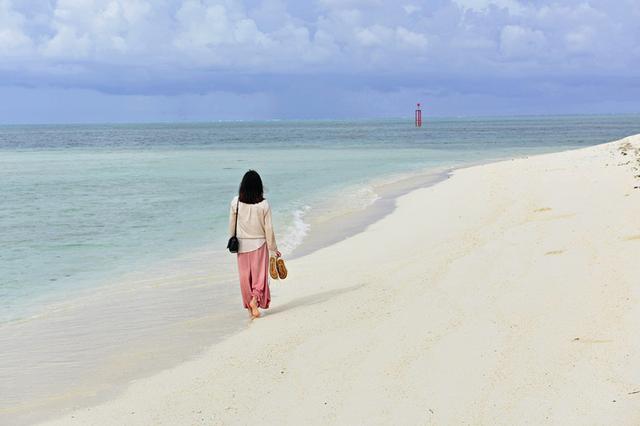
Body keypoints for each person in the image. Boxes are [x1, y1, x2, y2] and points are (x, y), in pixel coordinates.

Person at [229, 170, 281, 318]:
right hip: (259, 243)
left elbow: (231, 224)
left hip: (242, 245)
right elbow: (269, 229)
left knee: (245, 277)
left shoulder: (235, 202)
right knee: (259, 277)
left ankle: (250, 308)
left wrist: (232, 239)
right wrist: (274, 248)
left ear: (242, 186)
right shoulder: (264, 204)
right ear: (259, 186)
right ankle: (254, 300)